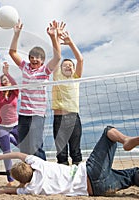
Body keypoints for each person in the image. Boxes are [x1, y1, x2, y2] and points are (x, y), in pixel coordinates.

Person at [0, 126, 139, 196]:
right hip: (89, 173)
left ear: (21, 181)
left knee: (132, 176)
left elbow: (7, 191)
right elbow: (17, 155)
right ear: (29, 166)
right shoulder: (39, 164)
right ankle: (126, 140)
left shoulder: (31, 189)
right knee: (108, 132)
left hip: (96, 190)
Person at [9, 20, 62, 160]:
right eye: (32, 57)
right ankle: (28, 177)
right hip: (23, 114)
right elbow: (12, 52)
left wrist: (52, 37)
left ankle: (42, 174)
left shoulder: (45, 70)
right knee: (24, 147)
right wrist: (16, 34)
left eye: (37, 57)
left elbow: (57, 57)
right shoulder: (25, 67)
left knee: (36, 146)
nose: (34, 59)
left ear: (43, 60)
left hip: (37, 114)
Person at [52, 30, 84, 165]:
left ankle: (79, 180)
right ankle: (63, 181)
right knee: (61, 153)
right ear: (60, 69)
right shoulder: (56, 76)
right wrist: (55, 38)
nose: (68, 66)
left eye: (71, 65)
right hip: (59, 118)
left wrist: (70, 43)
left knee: (75, 152)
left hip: (74, 118)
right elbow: (57, 57)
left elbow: (80, 59)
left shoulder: (75, 78)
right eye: (65, 65)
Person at [0, 46, 19, 186]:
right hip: (2, 126)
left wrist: (7, 73)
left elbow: (15, 84)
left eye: (6, 80)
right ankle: (10, 180)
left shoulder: (15, 92)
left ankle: (30, 173)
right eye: (3, 80)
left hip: (15, 125)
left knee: (24, 147)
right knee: (6, 152)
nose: (4, 81)